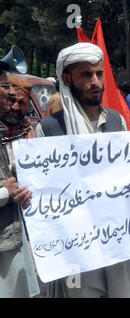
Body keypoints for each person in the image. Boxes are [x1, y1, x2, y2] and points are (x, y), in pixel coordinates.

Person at [36, 42, 130, 297]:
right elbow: (46, 194)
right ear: (67, 78)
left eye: (99, 74)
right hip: (78, 251)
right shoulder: (49, 129)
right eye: (86, 75)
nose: (95, 81)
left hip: (120, 245)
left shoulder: (117, 121)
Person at [0, 68, 40, 297]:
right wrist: (6, 191)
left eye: (20, 102)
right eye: (6, 90)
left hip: (18, 233)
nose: (13, 104)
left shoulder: (31, 132)